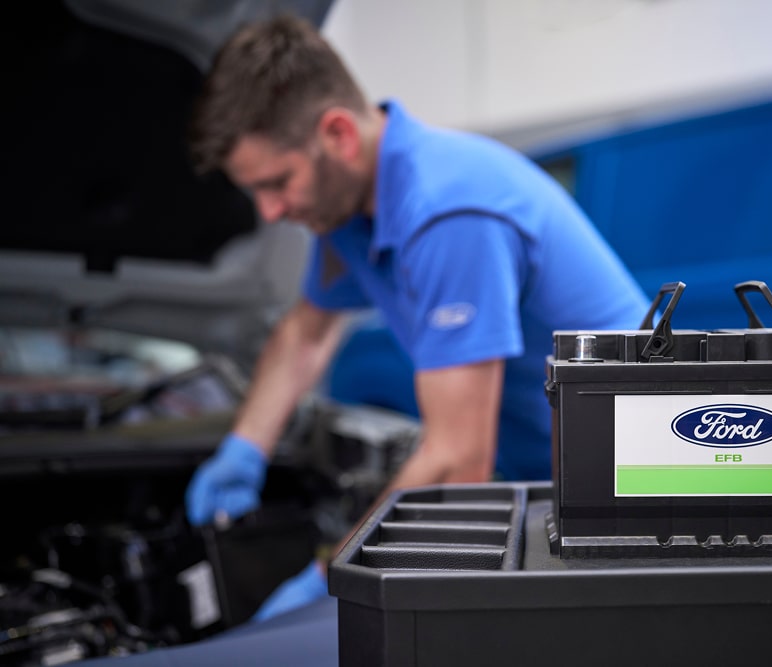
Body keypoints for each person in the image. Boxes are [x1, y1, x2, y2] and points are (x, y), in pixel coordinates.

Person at [182, 13, 650, 623]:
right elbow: (305, 334)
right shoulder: (345, 211)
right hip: (550, 483)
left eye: (278, 183)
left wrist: (332, 575)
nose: (270, 212)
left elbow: (459, 461)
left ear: (338, 134)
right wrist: (243, 449)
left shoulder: (446, 213)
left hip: (635, 495)